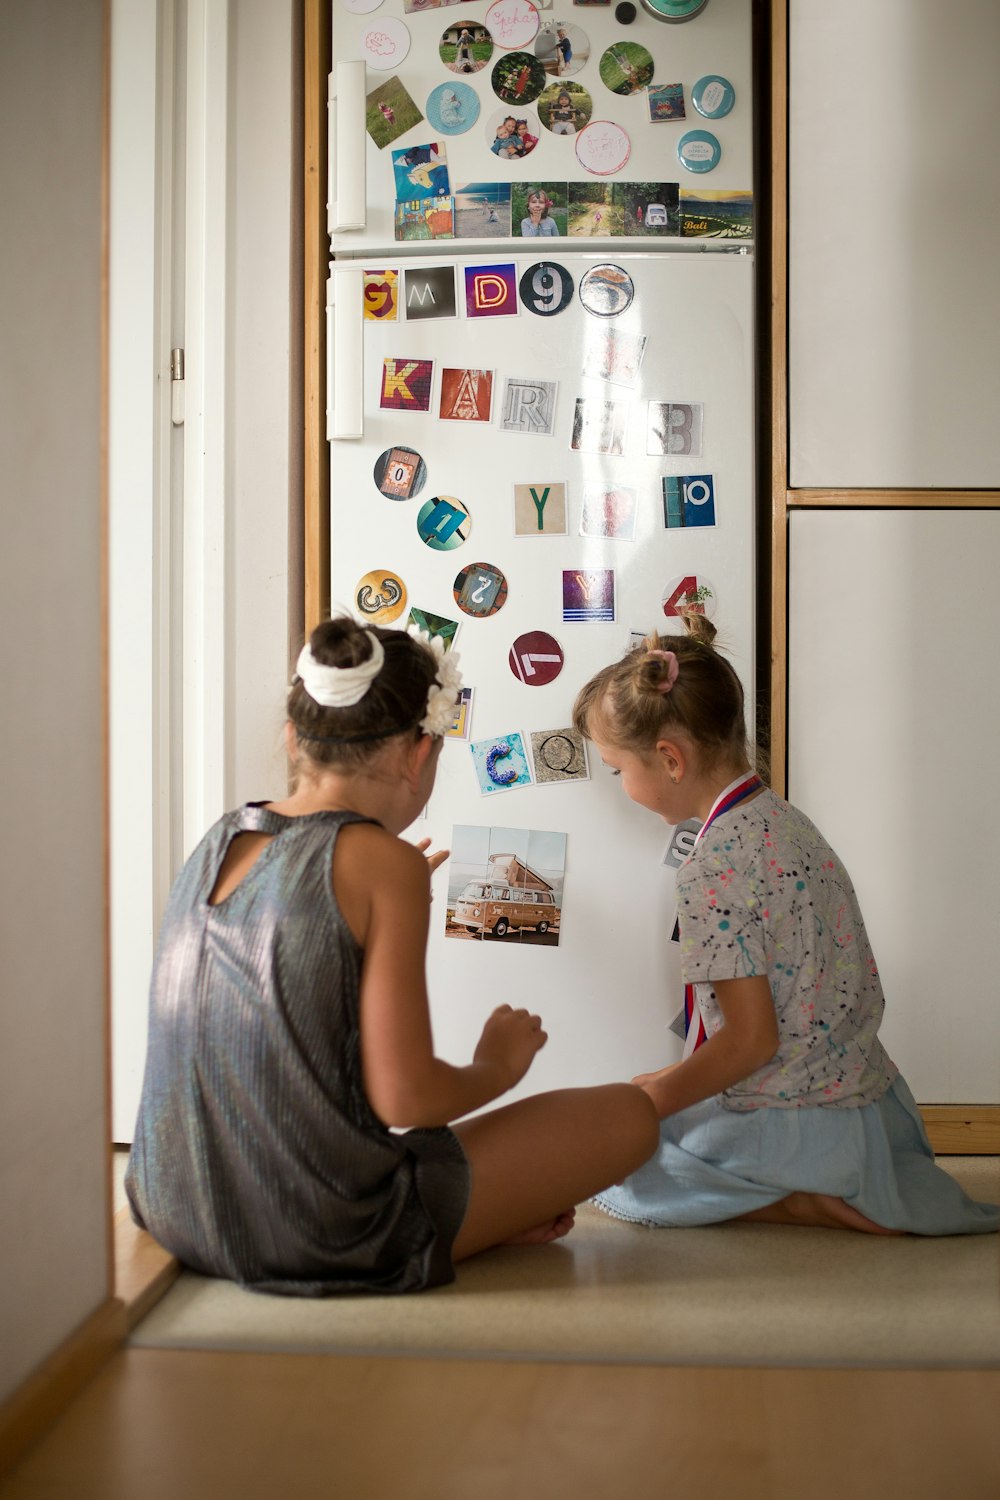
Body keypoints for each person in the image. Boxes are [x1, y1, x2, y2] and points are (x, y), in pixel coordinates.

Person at [125, 618, 658, 1295]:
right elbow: (409, 1096)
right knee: (630, 1116)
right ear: (418, 755)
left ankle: (481, 1219)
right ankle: (460, 1224)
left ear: (295, 738)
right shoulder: (384, 865)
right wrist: (499, 1063)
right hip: (318, 1231)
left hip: (172, 1205)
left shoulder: (223, 834)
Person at [572, 613, 1000, 1237]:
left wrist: (650, 1103)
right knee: (648, 1091)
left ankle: (792, 1199)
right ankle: (824, 1181)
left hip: (792, 1127)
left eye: (618, 770)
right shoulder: (786, 822)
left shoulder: (710, 867)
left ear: (669, 759)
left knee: (606, 1159)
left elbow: (751, 1044)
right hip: (869, 1112)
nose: (622, 787)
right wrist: (662, 1080)